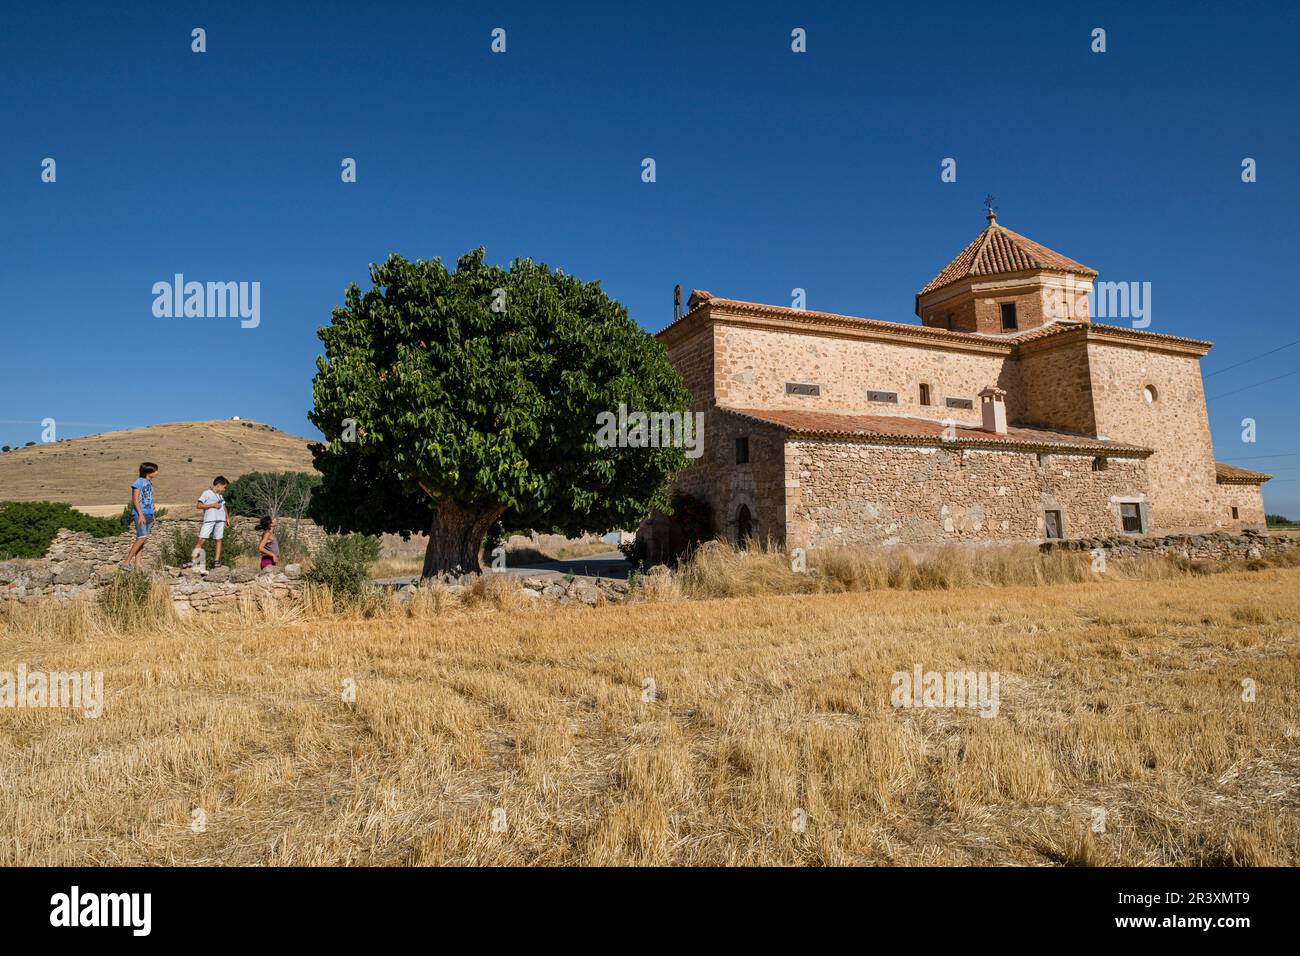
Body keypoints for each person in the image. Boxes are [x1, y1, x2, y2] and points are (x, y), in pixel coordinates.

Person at [184, 476, 232, 569]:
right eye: (224, 487)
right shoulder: (206, 493)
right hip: (209, 519)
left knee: (218, 539)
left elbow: (223, 506)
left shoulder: (220, 495)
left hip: (220, 519)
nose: (224, 489)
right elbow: (198, 505)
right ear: (219, 485)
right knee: (202, 539)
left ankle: (216, 561)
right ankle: (193, 560)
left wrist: (227, 517)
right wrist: (212, 505)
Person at [120, 462, 159, 570]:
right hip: (140, 514)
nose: (157, 473)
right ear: (148, 472)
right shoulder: (138, 482)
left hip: (149, 514)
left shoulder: (150, 484)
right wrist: (140, 514)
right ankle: (126, 562)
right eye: (155, 470)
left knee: (143, 539)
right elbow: (135, 499)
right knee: (141, 538)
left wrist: (153, 514)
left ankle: (138, 564)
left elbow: (150, 500)